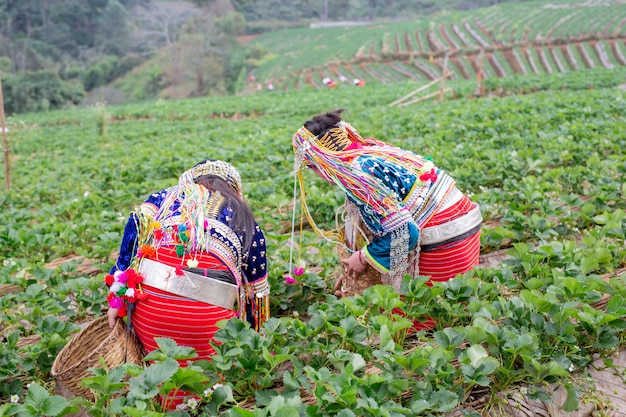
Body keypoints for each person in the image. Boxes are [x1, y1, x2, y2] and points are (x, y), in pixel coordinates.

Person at [105, 159, 269, 408]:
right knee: (203, 387)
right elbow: (256, 295)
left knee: (161, 377)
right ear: (233, 189)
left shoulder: (165, 198)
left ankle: (160, 401)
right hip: (206, 323)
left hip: (151, 314)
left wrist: (116, 298)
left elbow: (136, 223)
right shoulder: (243, 216)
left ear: (189, 181)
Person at [292, 109, 481, 302]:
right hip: (465, 223)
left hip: (446, 240)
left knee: (401, 311)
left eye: (310, 166)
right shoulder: (370, 152)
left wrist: (363, 259)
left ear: (321, 160)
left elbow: (405, 232)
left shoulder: (357, 174)